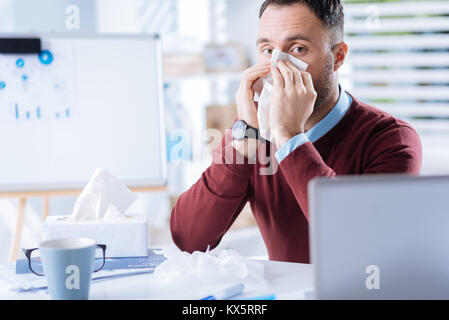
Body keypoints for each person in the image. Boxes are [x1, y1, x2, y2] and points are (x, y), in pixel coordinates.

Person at [170, 0, 422, 263]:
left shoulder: (392, 140)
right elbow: (188, 239)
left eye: (298, 49)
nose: (278, 65)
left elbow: (359, 243)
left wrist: (289, 136)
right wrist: (245, 142)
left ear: (338, 57)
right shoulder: (252, 131)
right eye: (267, 49)